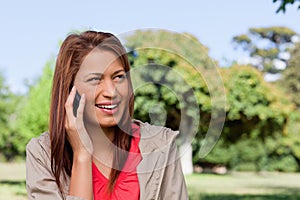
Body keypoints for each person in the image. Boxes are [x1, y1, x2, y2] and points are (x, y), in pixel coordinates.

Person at [26, 30, 188, 200]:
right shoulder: (42, 154)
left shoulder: (160, 145)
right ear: (69, 90)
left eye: (118, 77)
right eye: (95, 79)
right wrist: (82, 155)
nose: (111, 92)